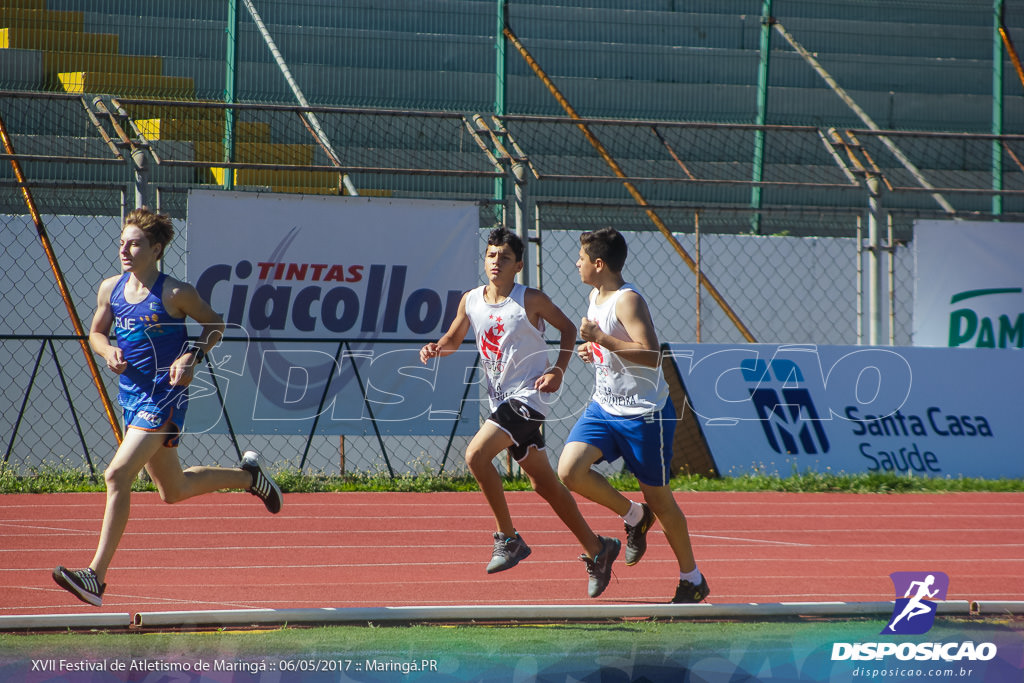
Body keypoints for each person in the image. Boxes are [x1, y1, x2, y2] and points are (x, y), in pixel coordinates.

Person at [52, 207, 282, 607]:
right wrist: (108, 351)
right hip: (132, 397)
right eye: (122, 242)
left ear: (156, 249)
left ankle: (95, 577)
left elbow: (215, 325)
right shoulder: (110, 289)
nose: (124, 249)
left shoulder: (177, 293)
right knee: (172, 491)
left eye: (135, 243)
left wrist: (191, 353)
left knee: (116, 475)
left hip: (165, 397)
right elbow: (96, 333)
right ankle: (251, 478)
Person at [420, 227, 620, 598]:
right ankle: (598, 549)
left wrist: (557, 370)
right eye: (491, 255)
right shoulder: (471, 300)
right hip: (501, 402)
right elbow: (452, 339)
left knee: (476, 456)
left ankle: (508, 538)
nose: (496, 262)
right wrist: (436, 348)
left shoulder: (531, 299)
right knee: (544, 485)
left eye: (504, 257)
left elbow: (567, 329)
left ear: (518, 265)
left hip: (528, 399)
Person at [558, 227, 709, 603]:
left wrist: (601, 338)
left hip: (644, 416)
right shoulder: (594, 295)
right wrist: (595, 350)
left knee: (661, 500)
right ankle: (633, 517)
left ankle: (692, 578)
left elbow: (651, 355)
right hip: (604, 406)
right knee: (569, 471)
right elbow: (612, 349)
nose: (575, 263)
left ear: (598, 263)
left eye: (581, 258)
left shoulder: (628, 301)